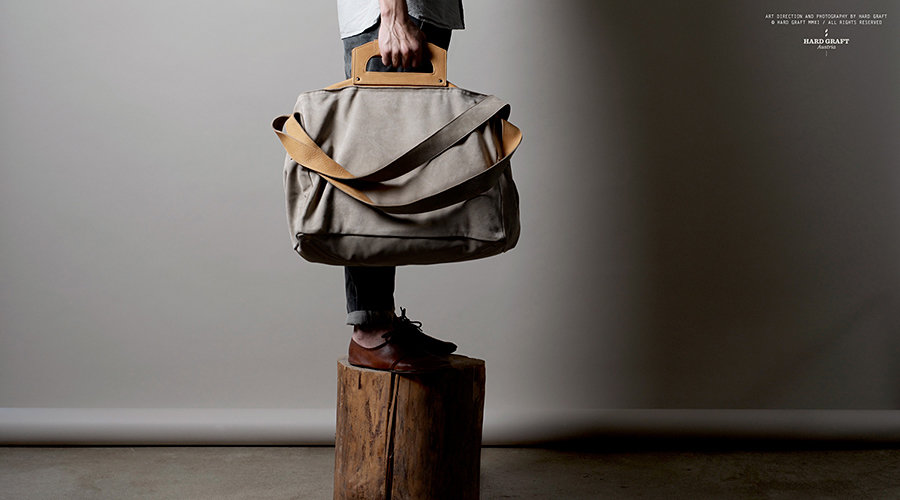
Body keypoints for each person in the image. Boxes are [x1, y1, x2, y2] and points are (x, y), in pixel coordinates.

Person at [337, 0, 465, 373]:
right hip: (396, 17)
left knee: (393, 168)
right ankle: (370, 332)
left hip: (419, 14)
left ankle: (381, 319)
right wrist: (393, 15)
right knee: (374, 168)